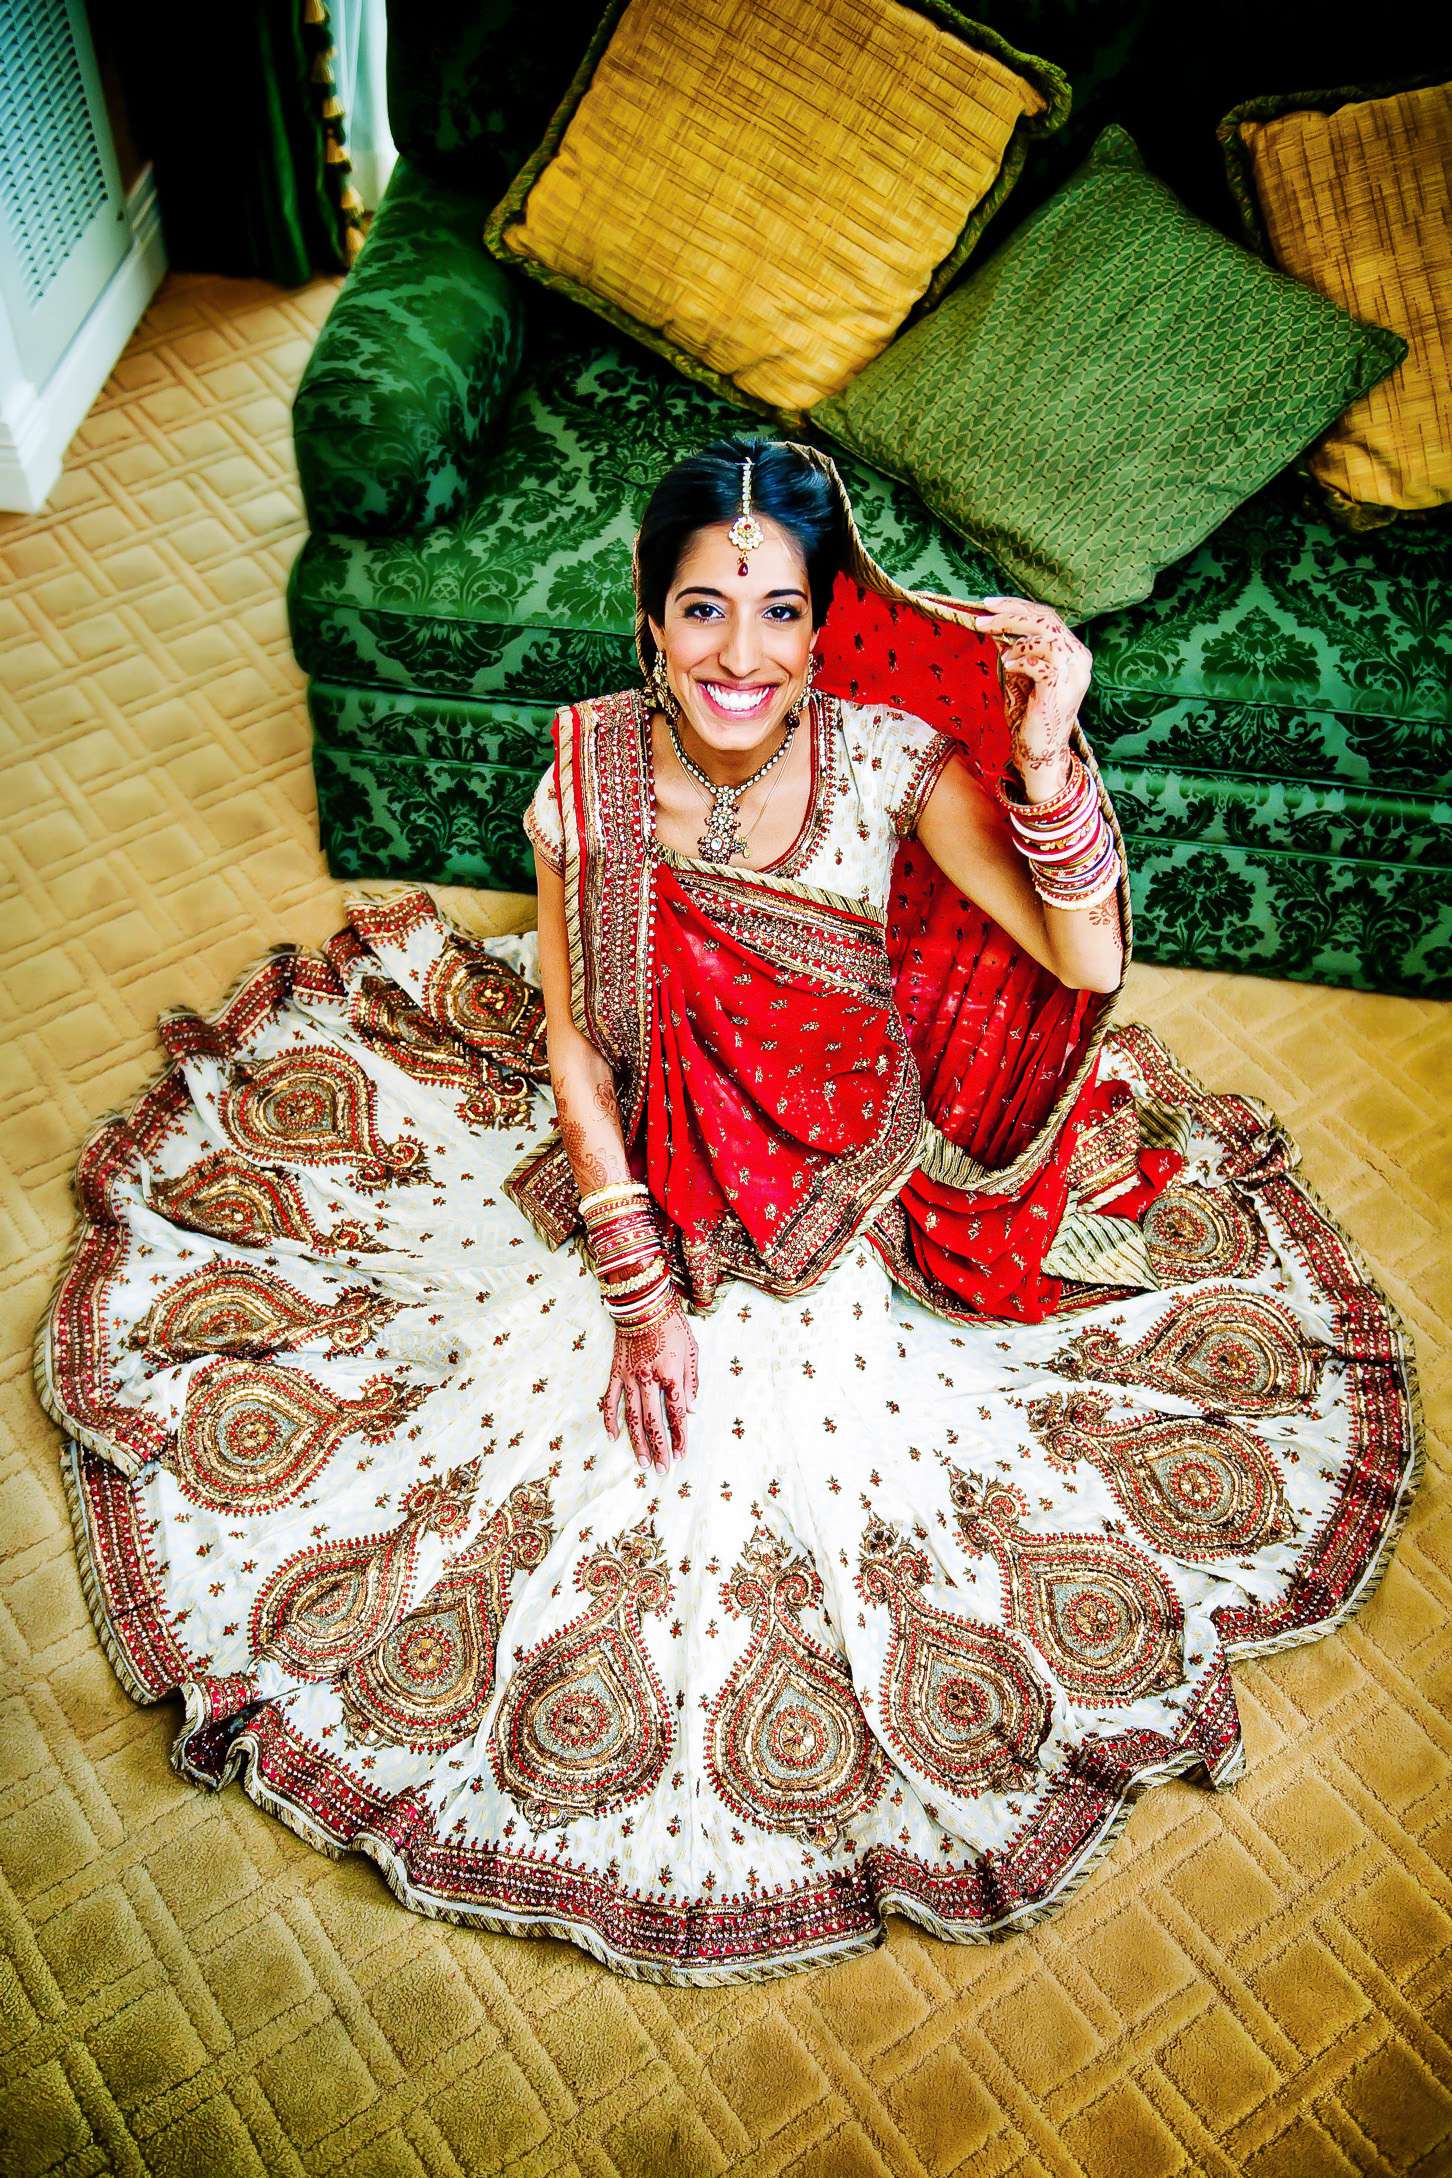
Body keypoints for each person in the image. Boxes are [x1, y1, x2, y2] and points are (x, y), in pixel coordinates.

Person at [37, 434, 1421, 1985]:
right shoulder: (591, 769)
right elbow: (570, 1035)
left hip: (831, 1207)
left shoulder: (890, 766)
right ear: (646, 615)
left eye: (777, 611)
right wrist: (634, 1287)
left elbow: (1083, 963)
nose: (740, 655)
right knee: (549, 1460)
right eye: (704, 609)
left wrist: (1043, 762)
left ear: (826, 622)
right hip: (646, 1191)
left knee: (845, 1509)